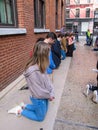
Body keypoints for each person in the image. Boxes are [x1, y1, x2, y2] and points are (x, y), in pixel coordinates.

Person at [8, 41, 55, 121]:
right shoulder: (32, 72)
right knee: (40, 118)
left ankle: (24, 106)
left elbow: (48, 81)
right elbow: (38, 91)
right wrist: (49, 95)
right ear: (43, 55)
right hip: (39, 98)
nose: (50, 54)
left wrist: (51, 92)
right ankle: (19, 110)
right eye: (48, 52)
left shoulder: (42, 66)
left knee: (44, 111)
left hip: (45, 95)